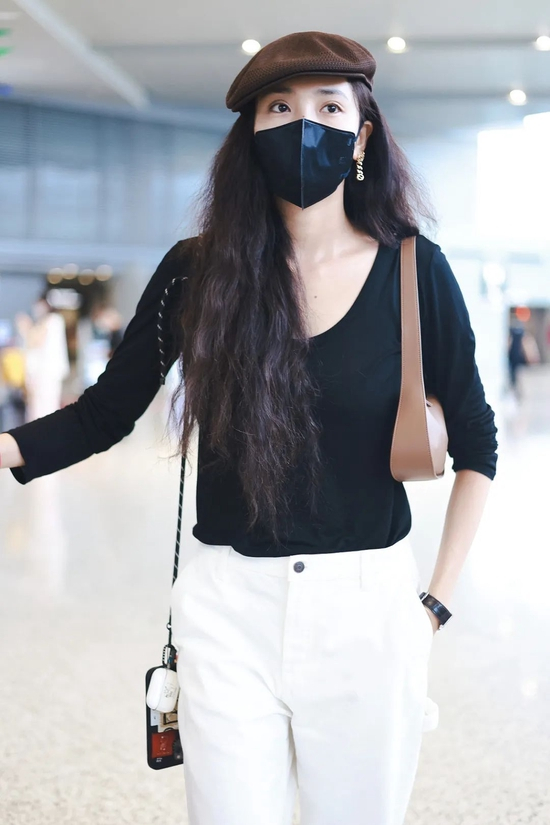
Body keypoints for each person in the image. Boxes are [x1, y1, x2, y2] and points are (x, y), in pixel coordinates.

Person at [0, 31, 498, 825]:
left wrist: (431, 605)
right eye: (279, 108)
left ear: (361, 137)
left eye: (329, 108)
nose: (305, 127)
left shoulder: (414, 268)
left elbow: (476, 440)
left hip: (367, 608)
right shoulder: (197, 273)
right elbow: (105, 412)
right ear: (251, 136)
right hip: (228, 605)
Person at [14, 295, 70, 421]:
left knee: (44, 408)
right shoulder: (45, 322)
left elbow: (35, 341)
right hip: (40, 374)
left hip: (46, 373)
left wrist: (25, 327)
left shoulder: (52, 320)